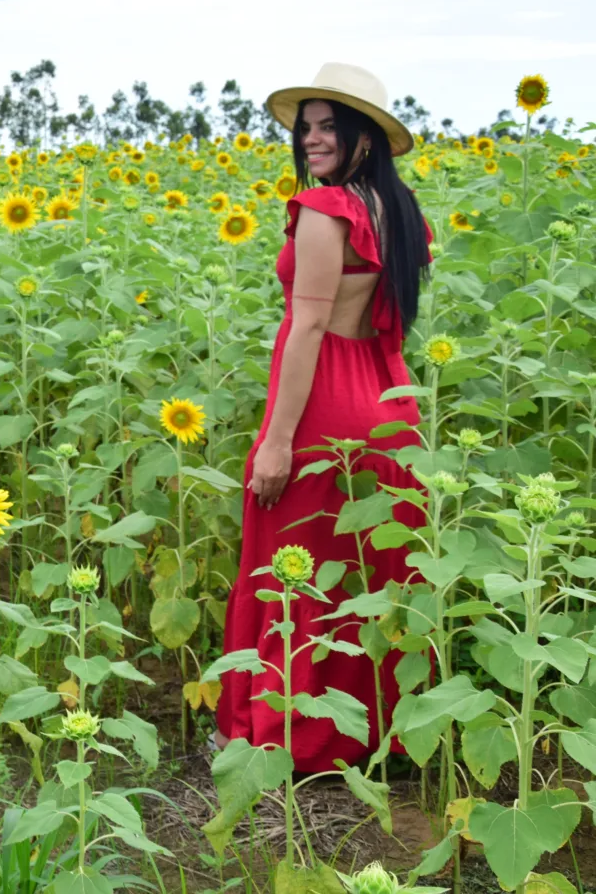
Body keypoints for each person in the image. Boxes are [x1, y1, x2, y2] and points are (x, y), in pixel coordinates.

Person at [215, 63, 431, 772]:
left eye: (327, 125)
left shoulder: (326, 209)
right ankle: (375, 736)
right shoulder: (399, 214)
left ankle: (288, 735)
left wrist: (276, 442)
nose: (310, 139)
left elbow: (306, 330)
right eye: (305, 127)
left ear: (363, 133)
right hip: (388, 400)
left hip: (327, 406)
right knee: (370, 572)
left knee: (293, 564)